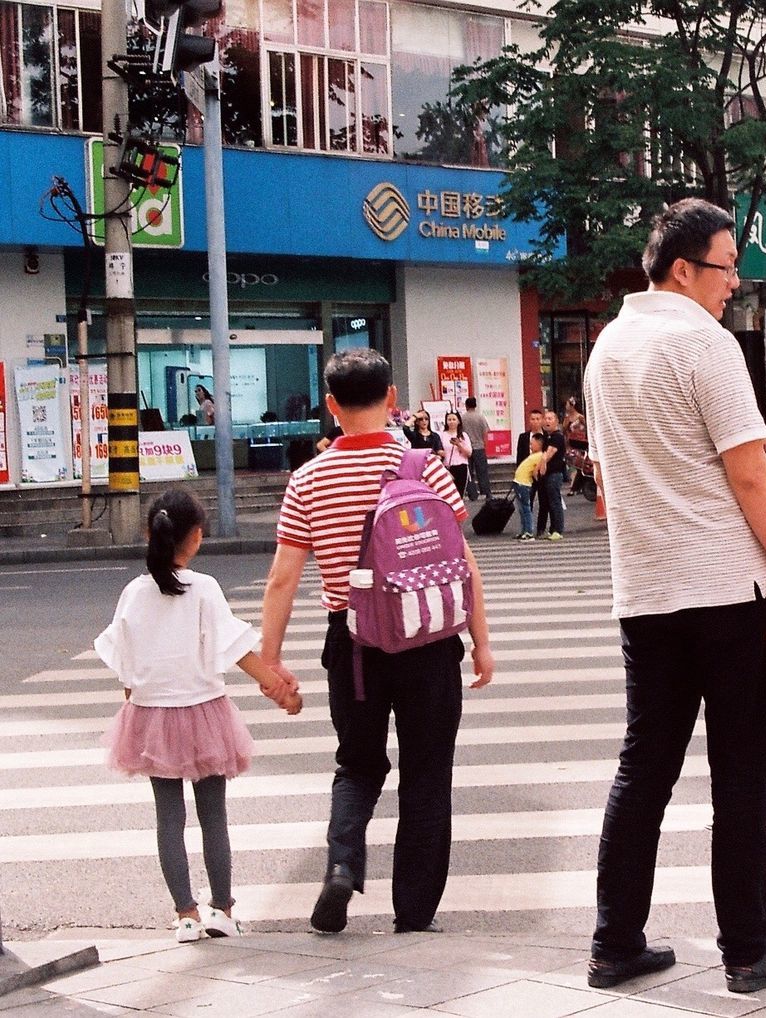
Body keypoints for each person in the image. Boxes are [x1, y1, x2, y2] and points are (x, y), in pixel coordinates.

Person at [583, 198, 766, 995]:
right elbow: (750, 472)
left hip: (646, 592)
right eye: (725, 267)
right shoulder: (702, 343)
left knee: (642, 767)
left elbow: (612, 478)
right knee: (740, 771)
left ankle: (615, 943)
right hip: (726, 591)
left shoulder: (606, 346)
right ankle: (747, 949)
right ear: (683, 269)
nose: (733, 283)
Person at [259, 348, 495, 936]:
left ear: (332, 406)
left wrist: (269, 661)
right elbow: (461, 564)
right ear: (392, 398)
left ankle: (342, 865)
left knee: (357, 765)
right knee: (427, 772)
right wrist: (481, 642)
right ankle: (414, 914)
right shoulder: (424, 466)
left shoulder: (308, 478)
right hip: (429, 637)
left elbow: (282, 578)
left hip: (354, 645)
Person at [95, 489, 301, 944]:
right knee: (214, 817)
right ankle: (222, 910)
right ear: (197, 537)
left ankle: (185, 915)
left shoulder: (133, 593)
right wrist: (277, 687)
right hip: (205, 714)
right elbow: (236, 648)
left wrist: (140, 703)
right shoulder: (204, 588)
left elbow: (125, 667)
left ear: (150, 533)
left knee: (168, 818)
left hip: (152, 715)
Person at [536, 408, 567, 541]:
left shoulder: (557, 437)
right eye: (546, 419)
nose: (547, 421)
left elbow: (548, 454)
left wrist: (541, 465)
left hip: (554, 474)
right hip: (547, 475)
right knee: (547, 502)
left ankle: (557, 530)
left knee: (555, 502)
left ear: (556, 422)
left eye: (550, 419)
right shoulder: (547, 437)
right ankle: (551, 528)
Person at [512, 433, 545, 541]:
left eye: (532, 444)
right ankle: (524, 530)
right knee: (521, 509)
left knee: (526, 508)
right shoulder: (534, 455)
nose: (530, 446)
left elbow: (538, 470)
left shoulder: (540, 455)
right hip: (519, 482)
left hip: (524, 484)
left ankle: (529, 531)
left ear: (539, 444)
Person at [461, 397, 492, 500]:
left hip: (467, 449)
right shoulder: (481, 417)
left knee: (469, 472)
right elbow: (485, 432)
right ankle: (486, 492)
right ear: (475, 405)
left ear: (466, 406)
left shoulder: (463, 418)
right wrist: (484, 445)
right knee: (482, 472)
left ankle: (472, 493)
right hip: (479, 447)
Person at [441, 410, 473, 497]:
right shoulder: (442, 435)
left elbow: (469, 453)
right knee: (447, 495)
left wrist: (459, 444)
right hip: (447, 467)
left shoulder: (463, 435)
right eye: (449, 419)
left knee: (459, 495)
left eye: (454, 419)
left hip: (461, 467)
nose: (451, 422)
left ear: (458, 421)